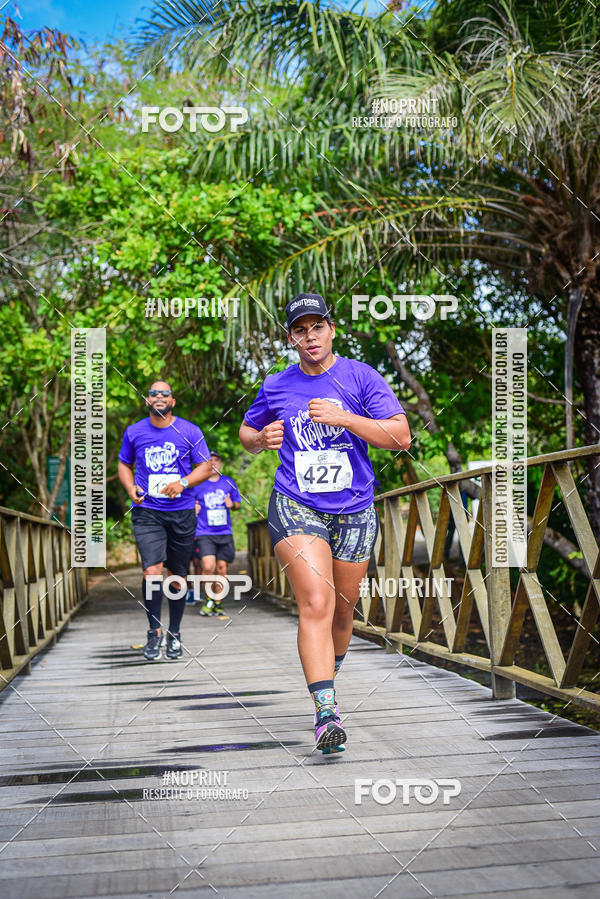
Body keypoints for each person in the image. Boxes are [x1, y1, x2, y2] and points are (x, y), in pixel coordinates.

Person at [239, 294, 411, 753]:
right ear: (290, 337)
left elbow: (400, 436)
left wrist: (344, 418)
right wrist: (261, 439)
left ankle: (326, 677)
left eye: (317, 327)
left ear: (332, 330)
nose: (310, 337)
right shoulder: (276, 385)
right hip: (296, 503)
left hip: (354, 507)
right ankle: (326, 713)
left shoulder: (361, 376)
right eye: (300, 329)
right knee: (315, 602)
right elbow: (247, 434)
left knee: (341, 610)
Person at [118, 381, 213, 660]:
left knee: (177, 576)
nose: (159, 397)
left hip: (181, 512)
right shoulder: (134, 432)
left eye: (165, 393)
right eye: (153, 393)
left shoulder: (189, 430)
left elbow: (206, 466)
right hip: (147, 512)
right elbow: (124, 463)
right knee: (151, 571)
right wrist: (129, 489)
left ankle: (175, 632)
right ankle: (153, 631)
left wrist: (182, 482)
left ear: (173, 400)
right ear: (147, 400)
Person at [189, 451, 242, 616]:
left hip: (224, 532)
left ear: (220, 464)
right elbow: (187, 503)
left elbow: (238, 504)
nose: (213, 464)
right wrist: (193, 509)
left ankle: (217, 601)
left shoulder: (228, 482)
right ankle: (209, 598)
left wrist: (231, 505)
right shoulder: (197, 484)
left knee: (222, 568)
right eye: (209, 461)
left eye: (216, 461)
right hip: (204, 532)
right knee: (208, 566)